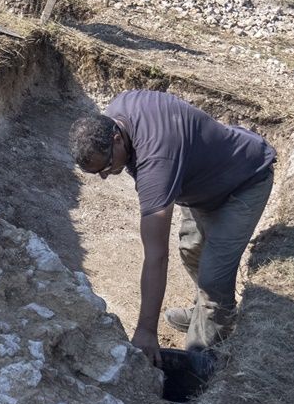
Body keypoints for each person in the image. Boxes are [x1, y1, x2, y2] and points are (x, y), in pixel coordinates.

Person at [69, 90, 275, 365]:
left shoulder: (157, 163)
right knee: (191, 249)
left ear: (117, 139)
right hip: (201, 181)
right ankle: (203, 311)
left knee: (214, 277)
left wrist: (145, 329)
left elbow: (156, 255)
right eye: (97, 173)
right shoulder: (119, 109)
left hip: (243, 182)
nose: (105, 175)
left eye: (106, 166)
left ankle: (206, 354)